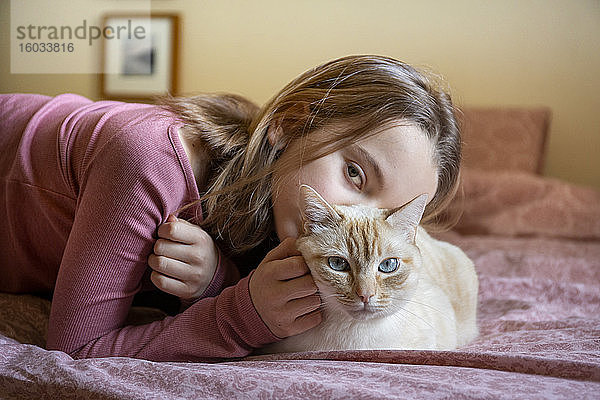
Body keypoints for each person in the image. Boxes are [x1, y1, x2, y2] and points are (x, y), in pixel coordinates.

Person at [0, 55, 461, 362]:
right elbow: (79, 350)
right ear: (288, 124)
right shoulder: (149, 160)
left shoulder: (278, 205)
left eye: (391, 214)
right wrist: (241, 315)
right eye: (356, 174)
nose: (358, 222)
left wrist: (215, 281)